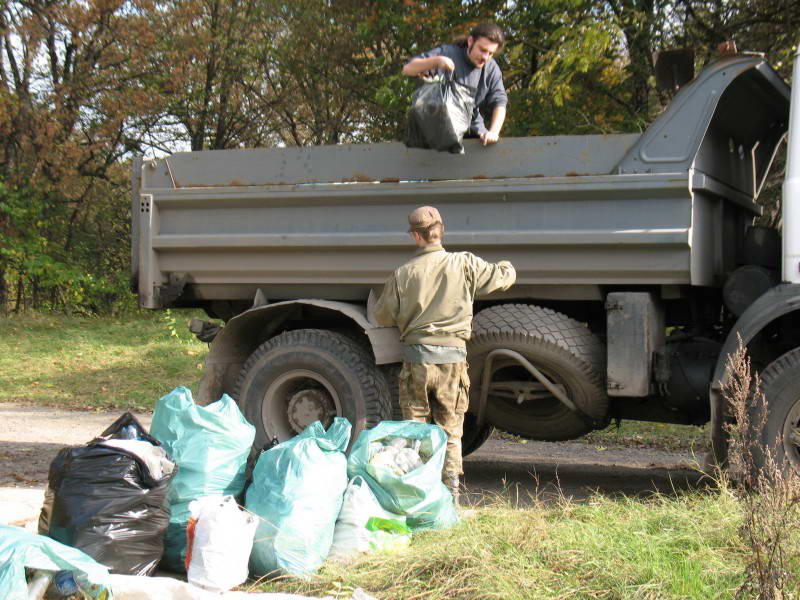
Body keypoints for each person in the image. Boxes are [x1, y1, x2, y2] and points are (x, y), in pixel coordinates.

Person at [371, 206, 516, 506]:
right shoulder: (464, 264)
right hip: (452, 362)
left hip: (417, 362)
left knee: (416, 430)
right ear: (441, 229)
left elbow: (383, 315)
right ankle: (452, 495)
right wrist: (508, 266)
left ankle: (421, 494)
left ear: (414, 236)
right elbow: (502, 277)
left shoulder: (402, 274)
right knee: (451, 430)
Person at [402, 22, 508, 145]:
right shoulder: (447, 53)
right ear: (470, 41)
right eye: (483, 50)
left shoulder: (491, 68)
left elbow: (500, 101)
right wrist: (435, 61)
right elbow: (408, 69)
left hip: (473, 134)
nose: (486, 57)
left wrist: (494, 132)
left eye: (490, 53)